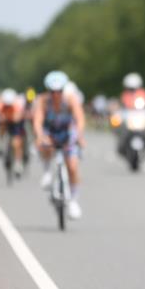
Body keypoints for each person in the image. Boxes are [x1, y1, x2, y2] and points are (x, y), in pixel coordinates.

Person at [33, 71, 86, 220]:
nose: (56, 95)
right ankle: (47, 172)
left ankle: (73, 200)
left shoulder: (70, 100)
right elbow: (38, 121)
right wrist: (40, 136)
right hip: (50, 132)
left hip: (67, 132)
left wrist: (79, 135)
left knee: (73, 166)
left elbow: (80, 119)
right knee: (44, 144)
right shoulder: (43, 101)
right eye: (52, 91)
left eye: (59, 91)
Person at [0, 88, 26, 176]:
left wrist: (13, 118)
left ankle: (18, 163)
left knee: (16, 143)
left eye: (9, 105)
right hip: (6, 120)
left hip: (15, 122)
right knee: (1, 127)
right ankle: (0, 144)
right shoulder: (0, 103)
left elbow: (18, 117)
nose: (8, 106)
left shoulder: (18, 104)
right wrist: (2, 118)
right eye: (6, 104)